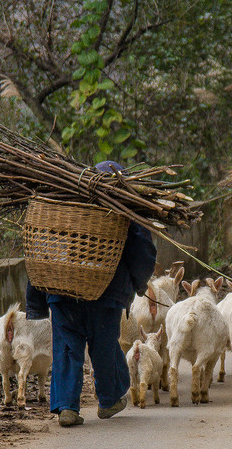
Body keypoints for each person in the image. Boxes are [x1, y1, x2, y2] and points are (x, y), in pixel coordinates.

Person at [25, 161, 158, 428]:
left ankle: (67, 407)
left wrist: (36, 301)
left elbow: (37, 251)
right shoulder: (124, 213)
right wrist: (139, 284)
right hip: (105, 293)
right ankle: (109, 400)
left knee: (66, 348)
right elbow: (142, 253)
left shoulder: (61, 205)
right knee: (105, 346)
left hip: (62, 291)